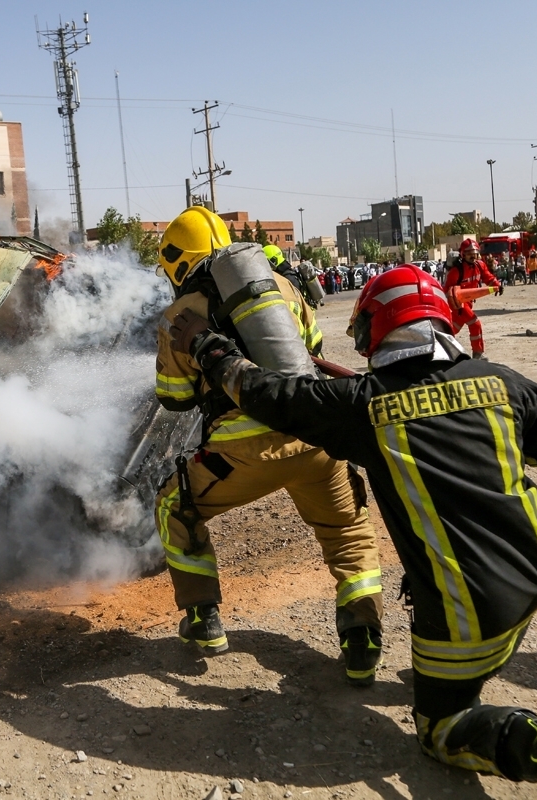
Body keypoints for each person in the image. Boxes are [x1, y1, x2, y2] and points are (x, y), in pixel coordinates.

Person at [170, 265, 537, 800]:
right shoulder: (502, 382)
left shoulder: (363, 406)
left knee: (443, 729)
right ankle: (451, 673)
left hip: (468, 607)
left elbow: (270, 395)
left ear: (371, 332)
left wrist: (207, 346)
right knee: (445, 642)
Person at [153, 206, 386, 684]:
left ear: (177, 261)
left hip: (240, 456)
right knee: (346, 529)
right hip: (316, 438)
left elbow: (173, 400)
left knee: (173, 506)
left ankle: (203, 620)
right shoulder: (283, 288)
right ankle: (362, 635)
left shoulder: (180, 314)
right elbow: (314, 350)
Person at [444, 238, 501, 359]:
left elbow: (488, 277)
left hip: (468, 303)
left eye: (475, 253)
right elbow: (447, 291)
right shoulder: (456, 271)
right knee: (475, 324)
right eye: (469, 254)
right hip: (458, 305)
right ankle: (478, 354)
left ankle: (439, 345)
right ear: (463, 255)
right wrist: (455, 304)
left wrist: (497, 285)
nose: (473, 256)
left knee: (453, 328)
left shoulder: (479, 265)